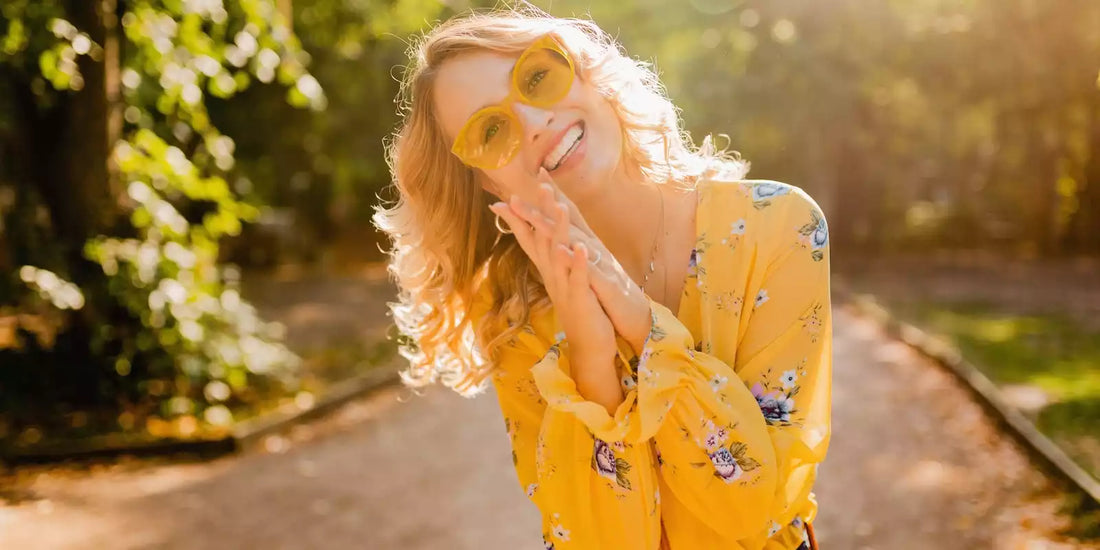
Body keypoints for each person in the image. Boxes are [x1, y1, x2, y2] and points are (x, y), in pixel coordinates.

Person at [373, 4, 831, 549]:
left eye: (536, 77)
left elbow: (752, 510)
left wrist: (636, 318)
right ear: (488, 185)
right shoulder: (512, 311)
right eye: (491, 130)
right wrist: (591, 361)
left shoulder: (779, 226)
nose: (534, 122)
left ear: (588, 73)